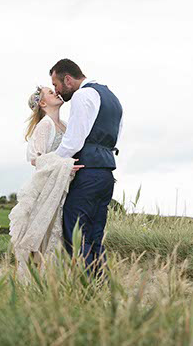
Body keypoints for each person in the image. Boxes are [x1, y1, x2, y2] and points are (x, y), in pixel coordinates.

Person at [50, 59, 123, 277]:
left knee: (75, 233)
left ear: (68, 79)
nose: (57, 91)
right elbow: (115, 137)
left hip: (87, 172)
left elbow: (73, 142)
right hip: (106, 173)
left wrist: (50, 164)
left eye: (56, 85)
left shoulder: (83, 96)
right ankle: (100, 288)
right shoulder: (113, 99)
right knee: (95, 236)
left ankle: (83, 290)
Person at [9, 86, 83, 277]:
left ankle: (54, 279)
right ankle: (38, 281)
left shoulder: (65, 125)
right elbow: (36, 159)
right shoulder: (45, 125)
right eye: (50, 93)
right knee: (44, 234)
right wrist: (64, 165)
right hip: (48, 186)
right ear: (43, 103)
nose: (56, 93)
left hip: (63, 184)